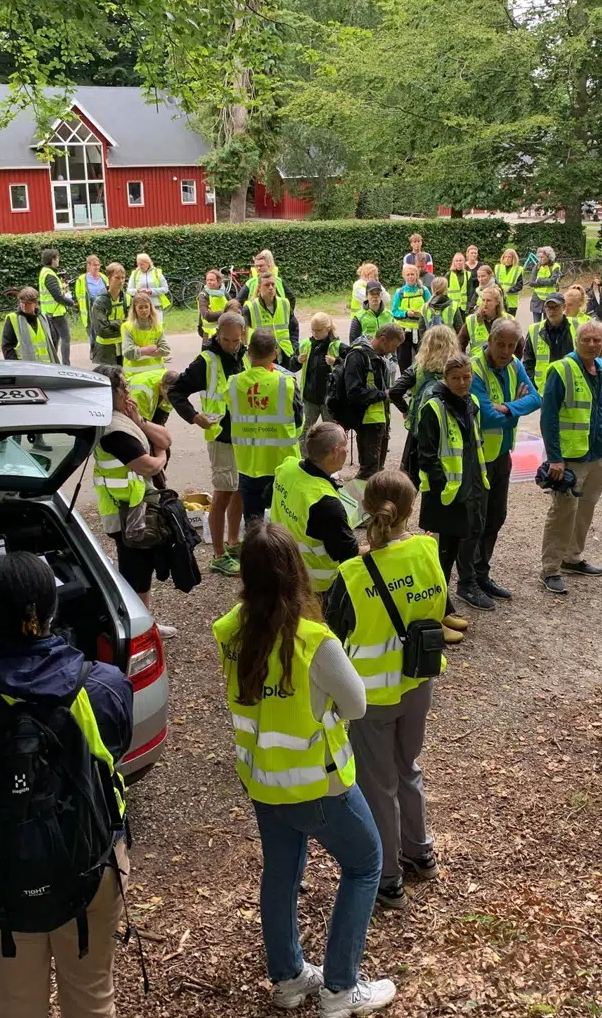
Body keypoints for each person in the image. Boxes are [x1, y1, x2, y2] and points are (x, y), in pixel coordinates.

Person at [0, 551, 133, 1018]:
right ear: (52, 609)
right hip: (91, 863)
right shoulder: (103, 687)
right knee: (91, 996)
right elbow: (116, 755)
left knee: (15, 1006)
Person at [218, 523, 392, 1018]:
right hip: (318, 784)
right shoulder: (314, 641)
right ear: (296, 574)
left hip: (263, 779)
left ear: (246, 578)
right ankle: (340, 989)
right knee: (364, 865)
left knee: (281, 874)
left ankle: (289, 978)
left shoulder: (229, 629)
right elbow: (355, 705)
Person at [326, 470, 445, 920]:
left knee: (378, 785)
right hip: (418, 681)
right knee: (408, 767)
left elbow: (334, 634)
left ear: (365, 509)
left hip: (372, 695)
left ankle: (389, 877)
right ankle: (421, 853)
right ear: (410, 510)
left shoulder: (352, 575)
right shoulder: (428, 550)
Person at [92, 364, 175, 636]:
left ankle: (145, 623)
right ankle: (139, 628)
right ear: (109, 393)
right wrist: (161, 459)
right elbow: (148, 465)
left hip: (135, 507)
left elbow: (165, 437)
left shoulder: (124, 417)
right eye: (123, 387)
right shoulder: (112, 430)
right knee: (135, 573)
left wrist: (140, 421)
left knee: (142, 570)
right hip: (125, 511)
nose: (129, 390)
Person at [170, 312, 247, 576]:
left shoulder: (245, 355)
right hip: (220, 436)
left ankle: (234, 542)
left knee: (239, 490)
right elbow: (176, 391)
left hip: (244, 436)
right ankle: (217, 555)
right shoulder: (206, 361)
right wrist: (194, 417)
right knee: (223, 492)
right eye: (226, 340)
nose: (231, 345)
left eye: (236, 341)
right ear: (218, 335)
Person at [470, 319, 540, 602]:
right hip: (478, 457)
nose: (506, 350)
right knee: (476, 519)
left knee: (496, 516)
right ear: (490, 339)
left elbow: (536, 398)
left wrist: (508, 408)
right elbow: (485, 415)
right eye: (501, 344)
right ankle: (468, 581)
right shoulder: (475, 369)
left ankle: (482, 574)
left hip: (501, 454)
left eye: (512, 345)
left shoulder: (514, 365)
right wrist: (514, 413)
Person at [540, 320, 602, 594]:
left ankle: (573, 557)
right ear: (577, 341)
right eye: (587, 340)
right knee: (562, 513)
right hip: (569, 458)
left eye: (597, 340)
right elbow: (549, 417)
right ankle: (550, 568)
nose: (592, 344)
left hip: (596, 453)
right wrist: (555, 458)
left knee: (586, 509)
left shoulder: (601, 368)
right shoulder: (561, 369)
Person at [415, 354, 490, 611]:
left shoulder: (472, 403)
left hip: (469, 486)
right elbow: (425, 454)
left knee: (462, 542)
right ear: (445, 378)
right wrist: (441, 486)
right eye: (455, 378)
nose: (462, 383)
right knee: (442, 554)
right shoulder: (434, 407)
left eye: (466, 377)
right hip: (445, 492)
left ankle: (446, 601)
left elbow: (473, 446)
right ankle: (438, 606)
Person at [271, 422, 358, 594]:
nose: (347, 451)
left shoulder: (287, 467)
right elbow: (346, 551)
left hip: (283, 563)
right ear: (334, 452)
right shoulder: (325, 503)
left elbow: (268, 496)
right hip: (318, 584)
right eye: (345, 445)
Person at [228, 329, 301, 530]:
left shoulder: (233, 383)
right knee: (284, 519)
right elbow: (299, 421)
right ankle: (283, 557)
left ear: (249, 352)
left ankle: (256, 557)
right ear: (275, 353)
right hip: (282, 462)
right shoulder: (286, 382)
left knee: (253, 522)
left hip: (248, 463)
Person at [393, 325, 458, 487]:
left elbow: (394, 392)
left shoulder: (418, 369)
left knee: (409, 480)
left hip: (419, 430)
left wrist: (406, 410)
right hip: (449, 431)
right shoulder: (457, 369)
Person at [340, 323, 403, 480]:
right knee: (368, 471)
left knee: (377, 469)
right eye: (394, 346)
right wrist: (383, 395)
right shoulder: (358, 356)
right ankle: (358, 502)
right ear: (383, 339)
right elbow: (353, 392)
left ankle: (373, 501)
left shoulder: (378, 357)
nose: (395, 351)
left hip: (379, 421)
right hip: (366, 422)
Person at [298, 313, 342, 433]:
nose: (315, 333)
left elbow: (350, 366)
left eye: (318, 330)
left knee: (331, 433)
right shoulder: (305, 344)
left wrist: (336, 361)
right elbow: (292, 365)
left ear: (327, 329)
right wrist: (297, 360)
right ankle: (304, 453)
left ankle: (329, 452)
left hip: (329, 399)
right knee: (304, 431)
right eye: (312, 330)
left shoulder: (337, 346)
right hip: (310, 398)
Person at [245, 274, 299, 370]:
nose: (270, 288)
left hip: (285, 354)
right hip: (263, 357)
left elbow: (294, 327)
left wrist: (294, 346)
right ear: (259, 288)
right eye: (267, 285)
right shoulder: (250, 307)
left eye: (273, 284)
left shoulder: (285, 303)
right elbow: (243, 334)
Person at [38, 248, 78, 366]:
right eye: (57, 258)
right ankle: (66, 364)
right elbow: (57, 296)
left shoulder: (45, 272)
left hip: (49, 312)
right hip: (56, 312)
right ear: (52, 259)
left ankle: (53, 364)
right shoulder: (49, 275)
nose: (58, 260)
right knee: (65, 338)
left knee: (54, 340)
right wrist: (71, 303)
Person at [524, 293, 574, 387]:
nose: (552, 311)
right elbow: (528, 362)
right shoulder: (534, 330)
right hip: (542, 388)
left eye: (556, 307)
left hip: (569, 385)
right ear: (544, 308)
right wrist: (533, 385)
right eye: (549, 307)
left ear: (564, 307)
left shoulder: (575, 327)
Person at [390, 264, 430, 372]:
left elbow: (430, 307)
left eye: (412, 274)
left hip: (419, 329)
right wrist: (406, 313)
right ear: (404, 276)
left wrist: (421, 312)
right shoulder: (400, 292)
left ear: (417, 275)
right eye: (408, 274)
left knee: (423, 358)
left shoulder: (424, 291)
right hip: (403, 330)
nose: (410, 277)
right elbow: (394, 311)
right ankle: (405, 382)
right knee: (403, 360)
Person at [1, 288, 57, 364]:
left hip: (46, 366)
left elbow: (53, 341)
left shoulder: (44, 318)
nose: (24, 305)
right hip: (24, 368)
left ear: (35, 303)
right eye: (21, 302)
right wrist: (15, 365)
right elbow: (7, 347)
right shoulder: (12, 318)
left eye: (27, 303)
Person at [121, 290, 169, 376]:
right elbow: (128, 353)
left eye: (146, 307)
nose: (144, 310)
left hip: (156, 374)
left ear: (150, 307)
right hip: (134, 375)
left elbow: (165, 350)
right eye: (140, 307)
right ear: (135, 309)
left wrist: (139, 350)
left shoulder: (157, 326)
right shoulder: (127, 327)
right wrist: (151, 348)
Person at [91, 263, 129, 366]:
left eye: (123, 278)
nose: (121, 281)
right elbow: (102, 331)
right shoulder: (100, 302)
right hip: (105, 352)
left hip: (123, 349)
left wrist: (112, 323)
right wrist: (123, 326)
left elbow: (133, 325)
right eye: (117, 278)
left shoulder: (128, 299)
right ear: (109, 278)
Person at [456, 286, 502, 358]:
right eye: (483, 300)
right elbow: (459, 345)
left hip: (499, 364)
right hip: (476, 365)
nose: (485, 303)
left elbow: (518, 347)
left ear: (497, 302)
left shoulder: (507, 319)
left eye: (488, 300)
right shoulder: (472, 320)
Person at [76, 253, 108, 340]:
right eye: (94, 265)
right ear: (89, 265)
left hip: (103, 310)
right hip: (90, 312)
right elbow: (79, 297)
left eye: (98, 265)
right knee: (93, 338)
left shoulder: (104, 277)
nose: (97, 267)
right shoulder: (81, 279)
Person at [526, 246, 561, 322]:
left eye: (542, 257)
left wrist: (539, 280)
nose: (540, 259)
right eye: (538, 257)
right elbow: (531, 283)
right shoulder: (537, 266)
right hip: (536, 299)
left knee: (547, 324)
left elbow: (552, 281)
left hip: (550, 299)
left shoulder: (555, 266)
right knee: (536, 324)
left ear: (549, 257)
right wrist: (545, 282)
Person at [198, 268, 231, 340]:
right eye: (207, 280)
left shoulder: (224, 293)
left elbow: (234, 309)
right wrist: (226, 312)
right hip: (209, 334)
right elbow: (207, 316)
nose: (209, 282)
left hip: (225, 331)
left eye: (212, 280)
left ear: (219, 282)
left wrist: (214, 313)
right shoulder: (203, 295)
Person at [495, 248, 525, 314]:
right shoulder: (498, 267)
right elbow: (494, 282)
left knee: (510, 322)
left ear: (513, 258)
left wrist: (510, 289)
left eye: (509, 257)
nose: (507, 259)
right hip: (499, 300)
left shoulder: (518, 269)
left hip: (512, 301)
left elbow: (520, 285)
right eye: (505, 257)